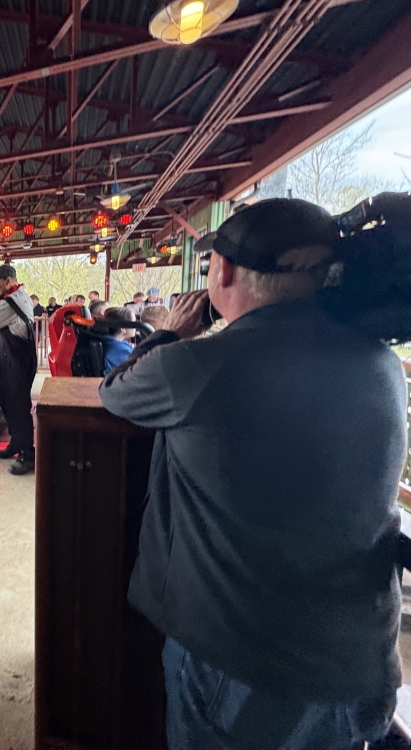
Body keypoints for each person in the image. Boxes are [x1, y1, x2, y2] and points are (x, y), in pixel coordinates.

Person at [98, 198, 404, 750]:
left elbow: (115, 391)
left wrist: (169, 331)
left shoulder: (200, 366)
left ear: (223, 269)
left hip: (246, 667)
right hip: (359, 661)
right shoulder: (380, 362)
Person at [0, 265, 37, 475]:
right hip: (16, 357)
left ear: (6, 280)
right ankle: (16, 443)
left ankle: (27, 454)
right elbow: (15, 328)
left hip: (16, 360)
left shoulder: (9, 302)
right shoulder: (22, 296)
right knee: (9, 402)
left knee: (18, 405)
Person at [95, 306, 135, 375]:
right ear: (123, 328)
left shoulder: (110, 341)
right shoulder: (121, 350)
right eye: (134, 323)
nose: (136, 327)